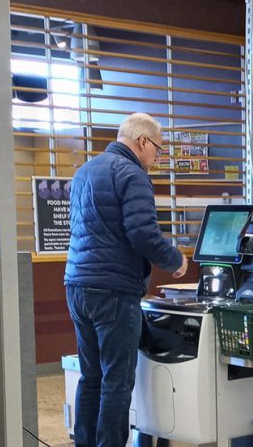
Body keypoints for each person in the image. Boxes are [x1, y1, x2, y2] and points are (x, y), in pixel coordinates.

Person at [64, 112, 189, 447]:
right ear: (142, 141)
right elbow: (142, 234)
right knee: (116, 382)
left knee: (91, 377)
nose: (157, 159)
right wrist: (174, 261)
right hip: (114, 291)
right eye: (158, 151)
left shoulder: (83, 172)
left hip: (76, 286)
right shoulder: (132, 174)